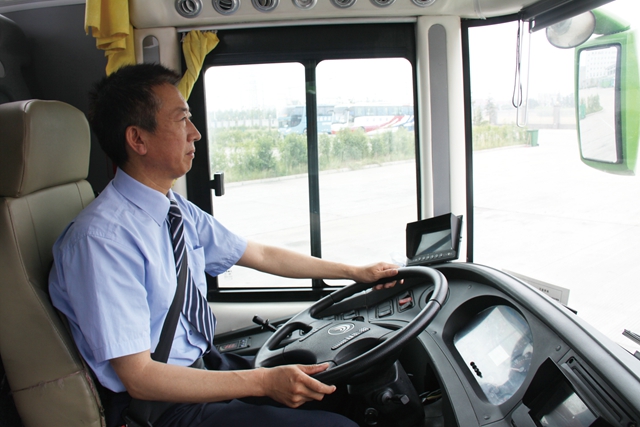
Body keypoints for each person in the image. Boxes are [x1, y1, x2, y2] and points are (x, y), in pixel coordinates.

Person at [48, 63, 400, 427]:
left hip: (205, 367)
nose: (196, 133)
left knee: (340, 391)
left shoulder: (174, 209)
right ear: (138, 139)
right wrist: (264, 382)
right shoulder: (102, 241)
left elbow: (259, 254)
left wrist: (354, 272)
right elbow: (140, 377)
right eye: (181, 120)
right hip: (161, 408)